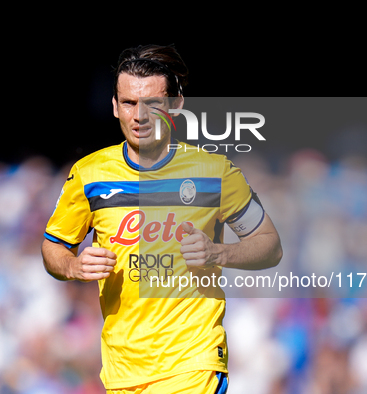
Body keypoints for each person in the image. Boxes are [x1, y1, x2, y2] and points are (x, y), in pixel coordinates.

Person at [41, 44, 282, 394]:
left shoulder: (215, 172)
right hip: (123, 370)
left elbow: (270, 245)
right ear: (114, 106)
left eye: (152, 104)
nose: (139, 116)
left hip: (193, 363)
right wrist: (73, 265)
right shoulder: (89, 174)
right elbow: (53, 248)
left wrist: (219, 253)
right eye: (128, 103)